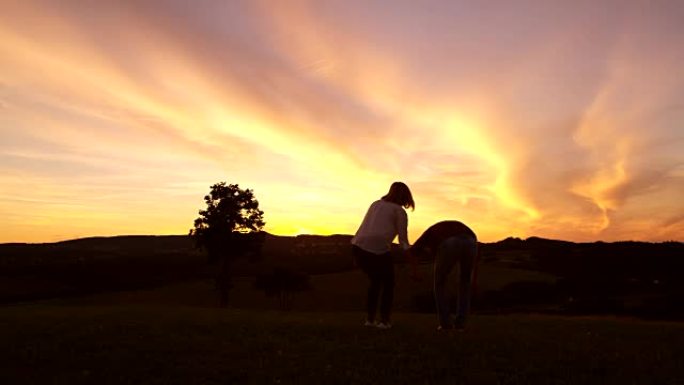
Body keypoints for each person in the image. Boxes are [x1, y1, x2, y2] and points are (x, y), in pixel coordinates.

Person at [351, 182, 414, 330]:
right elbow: (403, 241)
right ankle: (384, 321)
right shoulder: (399, 211)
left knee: (375, 283)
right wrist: (413, 254)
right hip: (377, 249)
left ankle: (370, 320)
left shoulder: (376, 204)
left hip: (357, 246)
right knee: (388, 285)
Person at [408, 221, 478, 331]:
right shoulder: (442, 229)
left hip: (450, 242)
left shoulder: (427, 235)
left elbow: (412, 252)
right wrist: (473, 279)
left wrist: (415, 272)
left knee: (439, 283)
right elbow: (476, 259)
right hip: (471, 240)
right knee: (465, 283)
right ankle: (460, 324)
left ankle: (445, 324)